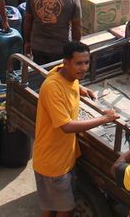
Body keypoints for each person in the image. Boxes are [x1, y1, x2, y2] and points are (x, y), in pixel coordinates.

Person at [33, 41, 119, 217]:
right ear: (66, 62)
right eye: (79, 63)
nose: (84, 68)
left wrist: (82, 89)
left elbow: (69, 83)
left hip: (64, 158)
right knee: (66, 209)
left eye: (87, 62)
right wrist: (104, 118)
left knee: (51, 206)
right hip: (53, 165)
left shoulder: (66, 74)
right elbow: (66, 126)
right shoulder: (52, 88)